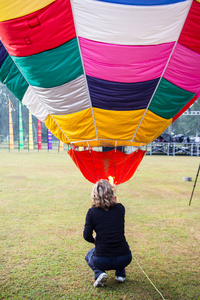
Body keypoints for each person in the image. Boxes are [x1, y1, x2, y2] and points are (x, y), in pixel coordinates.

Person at [83, 179, 132, 287]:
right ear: (111, 193)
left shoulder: (92, 212)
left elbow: (86, 236)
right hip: (125, 257)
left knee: (89, 255)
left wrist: (94, 240)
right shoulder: (120, 208)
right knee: (117, 248)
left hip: (102, 260)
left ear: (94, 195)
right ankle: (120, 274)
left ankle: (99, 273)